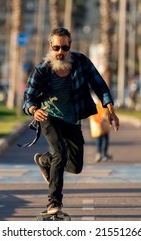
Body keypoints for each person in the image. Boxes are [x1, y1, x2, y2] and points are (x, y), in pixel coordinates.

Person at [23, 27, 120, 214]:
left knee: (75, 167)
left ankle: (45, 161)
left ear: (70, 46)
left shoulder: (81, 62)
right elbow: (28, 98)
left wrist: (111, 111)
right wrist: (34, 110)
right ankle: (54, 202)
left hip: (72, 119)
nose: (61, 52)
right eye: (57, 48)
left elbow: (99, 85)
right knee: (59, 153)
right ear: (51, 46)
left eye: (65, 48)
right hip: (49, 117)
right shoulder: (42, 70)